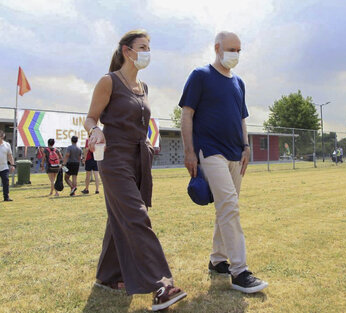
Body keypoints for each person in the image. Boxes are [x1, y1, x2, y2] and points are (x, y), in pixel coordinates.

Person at [83, 30, 186, 311]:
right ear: (127, 51)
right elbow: (90, 117)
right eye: (143, 47)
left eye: (149, 47)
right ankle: (162, 285)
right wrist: (94, 131)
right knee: (136, 215)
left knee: (120, 215)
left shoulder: (145, 87)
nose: (147, 52)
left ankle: (107, 277)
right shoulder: (109, 82)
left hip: (139, 157)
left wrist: (148, 145)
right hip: (114, 158)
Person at [179, 31, 268, 294]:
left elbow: (242, 118)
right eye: (231, 49)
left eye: (239, 50)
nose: (236, 55)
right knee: (229, 204)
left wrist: (247, 146)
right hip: (210, 151)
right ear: (217, 48)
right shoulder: (200, 75)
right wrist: (189, 151)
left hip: (235, 153)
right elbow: (187, 114)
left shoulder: (239, 82)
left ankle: (218, 260)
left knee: (226, 206)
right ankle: (239, 271)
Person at [0, 130, 15, 201]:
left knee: (6, 182)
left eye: (0, 137)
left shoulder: (7, 145)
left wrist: (12, 165)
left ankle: (6, 197)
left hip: (4, 167)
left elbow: (10, 156)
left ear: (3, 137)